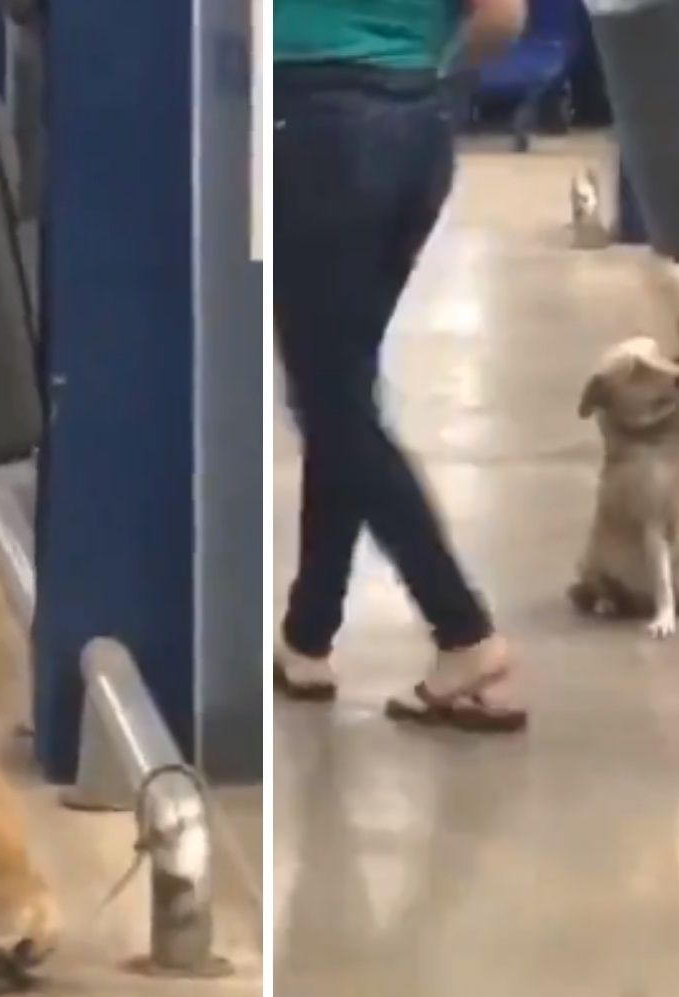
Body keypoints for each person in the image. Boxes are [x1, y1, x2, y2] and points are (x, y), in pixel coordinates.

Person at [271, 0, 530, 732]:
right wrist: (421, 73)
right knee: (338, 383)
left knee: (330, 397)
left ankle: (463, 633)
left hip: (313, 123)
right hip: (416, 128)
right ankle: (308, 635)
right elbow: (502, 19)